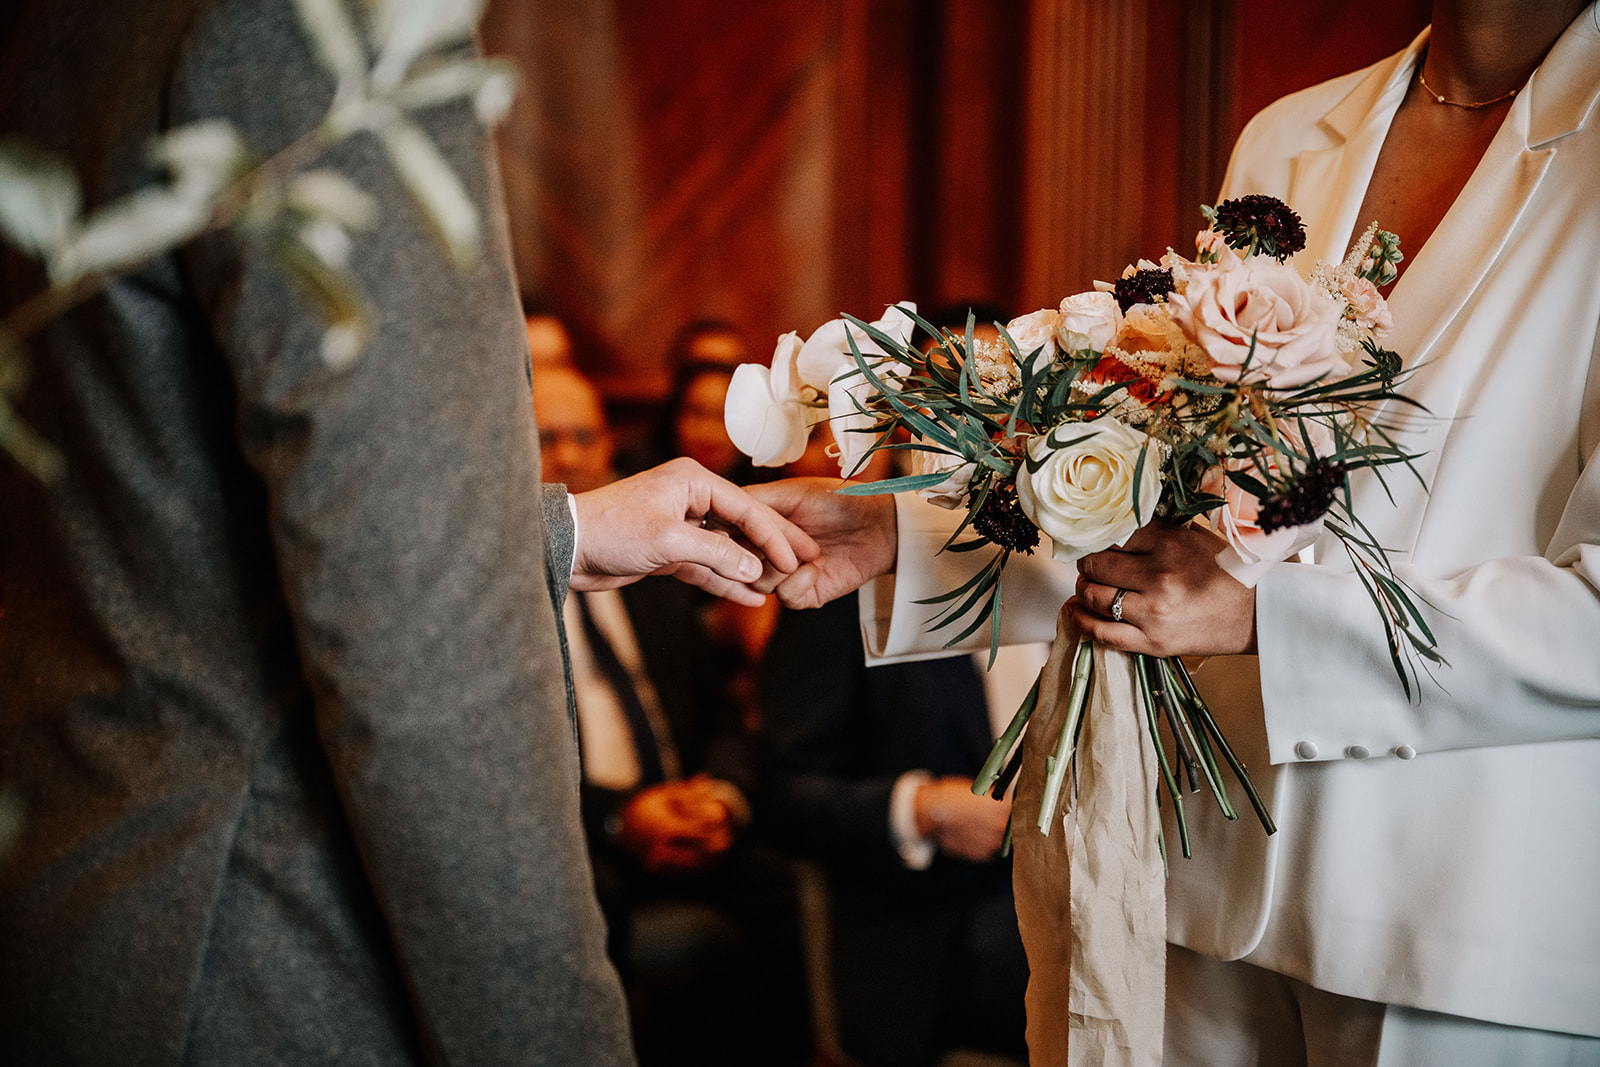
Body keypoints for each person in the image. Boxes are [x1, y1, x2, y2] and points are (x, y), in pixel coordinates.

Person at [750, 2, 1600, 1062]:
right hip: (1192, 872)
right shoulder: (1290, 135)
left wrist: (1268, 619)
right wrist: (906, 540)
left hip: (1461, 912)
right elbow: (1188, 501)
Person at [0, 2, 812, 1063]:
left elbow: (162, 514)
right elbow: (422, 639)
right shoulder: (313, 24)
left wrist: (556, 528)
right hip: (265, 949)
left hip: (91, 909)